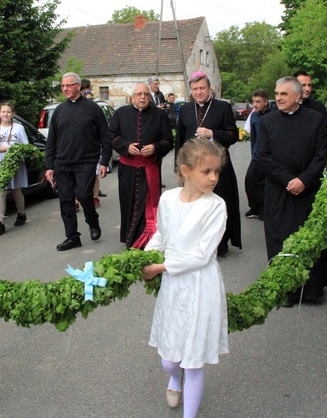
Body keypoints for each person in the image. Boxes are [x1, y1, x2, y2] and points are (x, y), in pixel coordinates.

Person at [142, 137, 228, 418]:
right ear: (185, 170)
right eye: (207, 171)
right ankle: (173, 378)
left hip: (201, 285)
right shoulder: (167, 199)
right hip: (174, 286)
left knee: (193, 362)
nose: (213, 178)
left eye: (216, 171)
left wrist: (159, 268)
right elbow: (161, 237)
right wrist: (143, 258)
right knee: (170, 359)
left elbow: (203, 255)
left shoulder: (216, 206)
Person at [258, 76, 327, 306]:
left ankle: (311, 290)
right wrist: (289, 179)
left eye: (283, 94)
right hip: (279, 190)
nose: (278, 98)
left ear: (297, 97)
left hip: (307, 190)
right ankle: (285, 290)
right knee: (280, 238)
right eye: (277, 93)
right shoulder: (267, 121)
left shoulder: (316, 119)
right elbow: (262, 156)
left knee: (309, 237)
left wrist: (304, 180)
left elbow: (321, 155)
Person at [176, 71, 241, 256]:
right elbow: (179, 141)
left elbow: (233, 135)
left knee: (220, 204)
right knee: (195, 205)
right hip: (193, 169)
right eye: (195, 89)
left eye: (202, 88)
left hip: (218, 168)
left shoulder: (222, 107)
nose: (199, 92)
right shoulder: (187, 109)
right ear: (191, 90)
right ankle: (197, 243)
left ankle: (220, 244)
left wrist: (213, 134)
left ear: (209, 88)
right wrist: (179, 169)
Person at [45, 72, 111, 251]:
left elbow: (105, 136)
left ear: (78, 86)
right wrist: (49, 166)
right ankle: (72, 237)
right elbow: (51, 140)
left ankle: (93, 221)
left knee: (83, 194)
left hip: (86, 161)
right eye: (62, 86)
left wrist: (104, 161)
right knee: (66, 200)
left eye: (68, 85)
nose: (65, 89)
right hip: (63, 163)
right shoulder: (59, 111)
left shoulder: (92, 108)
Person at [108, 82, 173, 248]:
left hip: (149, 168)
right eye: (139, 94)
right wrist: (126, 146)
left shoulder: (159, 115)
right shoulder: (121, 113)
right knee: (128, 203)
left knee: (148, 205)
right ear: (132, 97)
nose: (143, 97)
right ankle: (131, 239)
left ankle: (149, 240)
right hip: (127, 169)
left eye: (145, 94)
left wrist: (155, 148)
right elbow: (111, 137)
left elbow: (168, 141)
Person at [0, 102, 29, 235]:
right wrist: (9, 148)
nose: (6, 114)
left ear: (13, 114)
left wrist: (16, 151)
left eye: (8, 112)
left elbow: (25, 145)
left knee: (17, 190)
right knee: (0, 192)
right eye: (3, 112)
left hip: (15, 161)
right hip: (0, 162)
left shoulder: (18, 128)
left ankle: (21, 213)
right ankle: (0, 222)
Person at [244, 90, 272, 220]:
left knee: (266, 183)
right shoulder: (254, 116)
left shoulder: (274, 114)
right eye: (253, 101)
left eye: (258, 102)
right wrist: (253, 154)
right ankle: (254, 207)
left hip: (271, 156)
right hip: (257, 155)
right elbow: (253, 138)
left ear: (266, 101)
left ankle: (264, 209)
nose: (255, 105)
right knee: (250, 180)